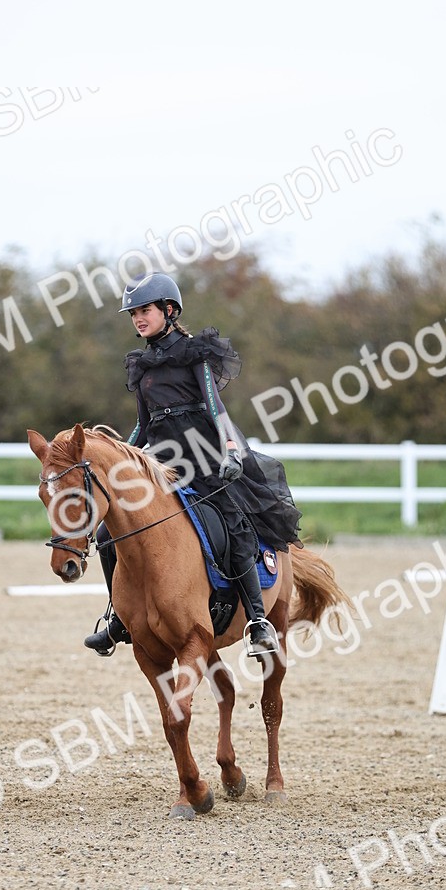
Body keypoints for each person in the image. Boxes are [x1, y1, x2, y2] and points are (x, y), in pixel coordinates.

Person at [84, 272, 302, 659]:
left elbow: (217, 408)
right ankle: (118, 619)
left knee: (234, 525)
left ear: (169, 310)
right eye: (133, 313)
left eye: (144, 310)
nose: (137, 318)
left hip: (207, 460)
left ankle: (256, 621)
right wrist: (117, 465)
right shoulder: (142, 365)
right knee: (106, 534)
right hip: (163, 465)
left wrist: (232, 449)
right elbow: (143, 426)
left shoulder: (194, 353)